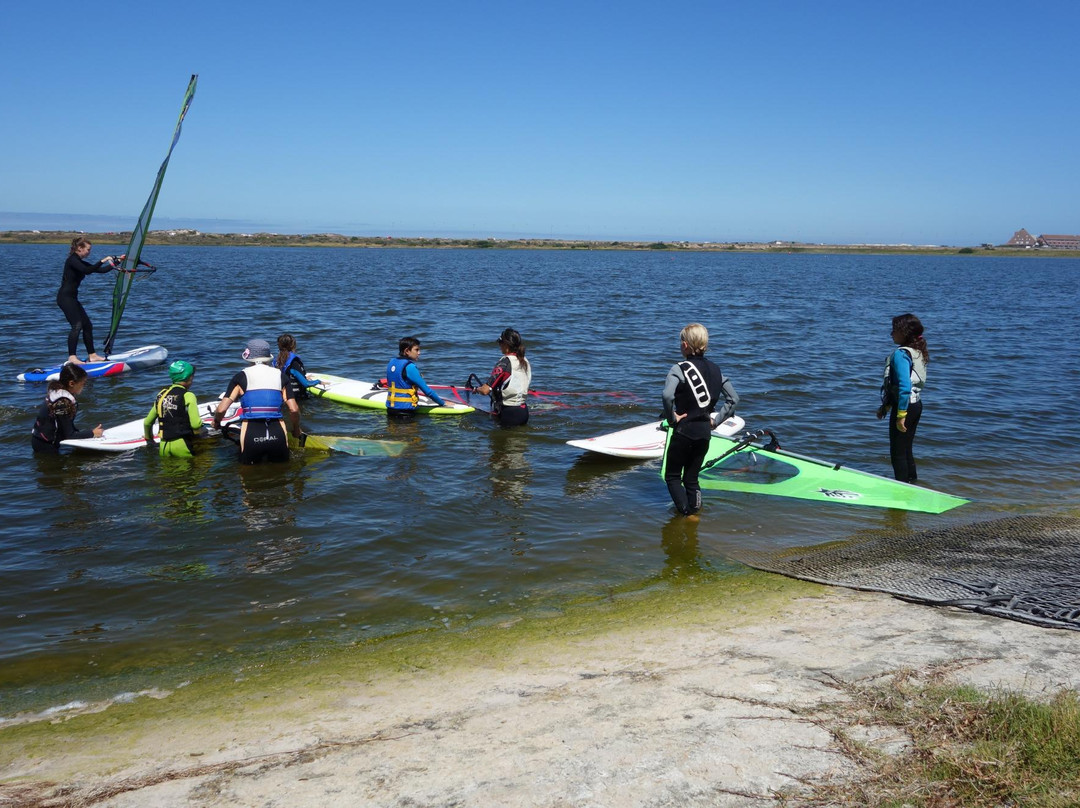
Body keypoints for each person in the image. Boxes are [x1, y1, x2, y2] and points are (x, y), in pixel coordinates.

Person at [661, 323, 739, 517]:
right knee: (692, 478)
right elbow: (734, 399)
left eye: (681, 342)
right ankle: (696, 512)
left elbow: (667, 396)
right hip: (704, 432)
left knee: (671, 477)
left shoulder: (679, 369)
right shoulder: (717, 370)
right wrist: (716, 421)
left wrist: (672, 418)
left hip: (684, 431)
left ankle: (687, 515)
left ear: (686, 345)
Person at [212, 338, 301, 464]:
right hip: (277, 430)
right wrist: (296, 429)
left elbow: (221, 409)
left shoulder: (241, 377)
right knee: (282, 477)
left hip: (251, 431)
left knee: (248, 478)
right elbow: (294, 409)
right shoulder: (281, 376)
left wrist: (216, 421)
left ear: (248, 357)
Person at [877, 313, 929, 483]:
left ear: (904, 333)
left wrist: (900, 415)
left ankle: (902, 487)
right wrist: (885, 407)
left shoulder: (901, 354)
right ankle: (912, 482)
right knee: (906, 449)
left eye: (894, 330)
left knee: (897, 452)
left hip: (905, 407)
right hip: (916, 405)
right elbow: (901, 387)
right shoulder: (917, 351)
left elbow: (904, 387)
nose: (891, 334)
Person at [57, 237, 120, 365]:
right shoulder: (72, 260)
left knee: (87, 325)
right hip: (65, 298)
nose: (89, 252)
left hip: (72, 298)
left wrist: (118, 261)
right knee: (77, 325)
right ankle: (72, 357)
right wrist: (103, 260)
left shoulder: (79, 261)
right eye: (88, 249)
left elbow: (100, 270)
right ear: (79, 248)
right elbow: (87, 271)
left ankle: (92, 355)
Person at [30, 363, 103, 452]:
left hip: (39, 440)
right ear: (71, 383)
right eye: (83, 384)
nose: (84, 387)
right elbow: (69, 435)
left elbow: (66, 427)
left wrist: (82, 437)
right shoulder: (62, 403)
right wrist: (92, 433)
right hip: (46, 445)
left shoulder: (57, 392)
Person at [143, 360, 204, 457]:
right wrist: (202, 430)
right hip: (182, 445)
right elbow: (196, 425)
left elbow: (147, 422)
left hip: (163, 446)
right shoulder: (188, 395)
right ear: (190, 378)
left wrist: (149, 439)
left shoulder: (161, 394)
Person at [476, 328, 532, 426]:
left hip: (509, 414)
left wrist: (476, 389)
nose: (499, 345)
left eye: (500, 342)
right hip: (523, 411)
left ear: (506, 344)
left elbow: (485, 390)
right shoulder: (524, 361)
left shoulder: (504, 363)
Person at [385, 337, 446, 417]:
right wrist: (443, 403)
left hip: (390, 410)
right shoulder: (410, 367)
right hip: (406, 413)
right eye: (416, 350)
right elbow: (428, 391)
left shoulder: (392, 362)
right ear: (407, 351)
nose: (419, 353)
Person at [272, 333, 322, 400]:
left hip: (282, 397)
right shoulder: (294, 362)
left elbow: (286, 376)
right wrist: (319, 381)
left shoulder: (277, 361)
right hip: (297, 399)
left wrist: (303, 377)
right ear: (293, 345)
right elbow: (306, 384)